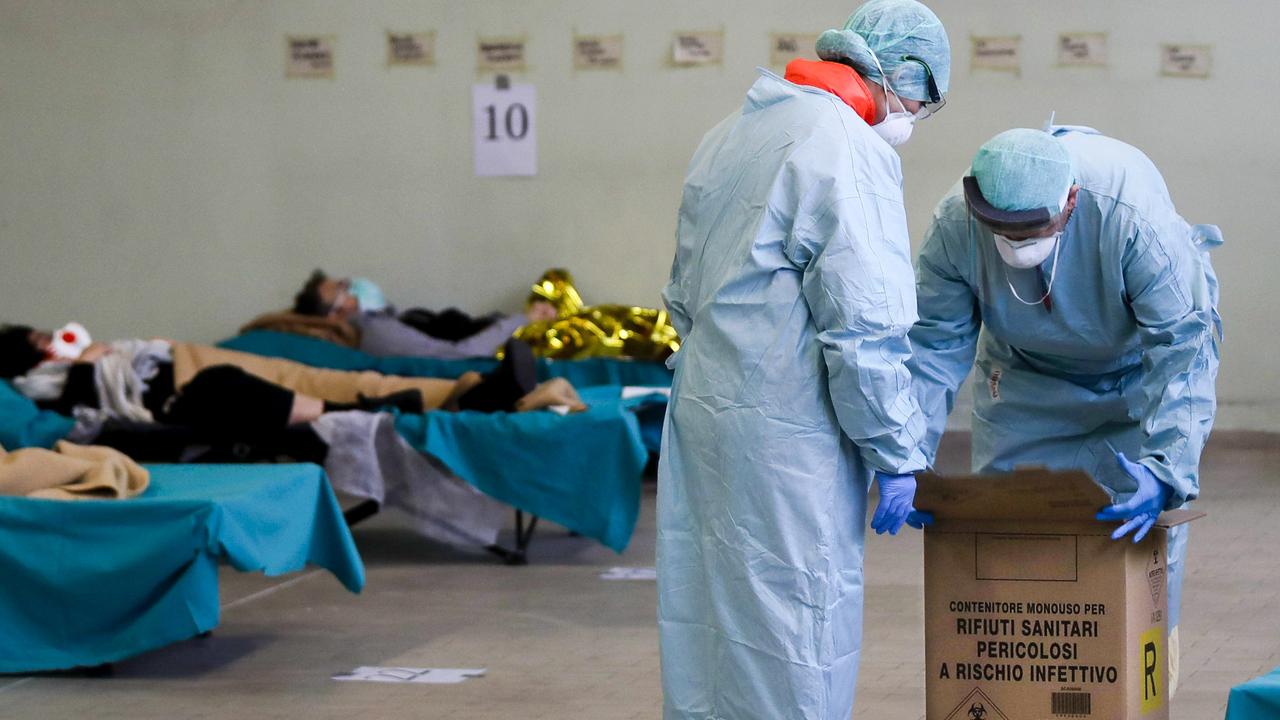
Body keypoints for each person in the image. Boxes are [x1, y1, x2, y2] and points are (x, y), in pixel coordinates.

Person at [656, 1, 950, 717]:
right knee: (796, 629)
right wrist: (896, 450)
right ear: (897, 75)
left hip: (702, 412)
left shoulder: (733, 132)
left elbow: (682, 294)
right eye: (920, 99)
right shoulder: (845, 145)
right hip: (788, 437)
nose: (912, 114)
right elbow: (865, 325)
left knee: (709, 628)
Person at [907, 125, 1221, 695]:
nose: (1013, 243)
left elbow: (1184, 350)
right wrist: (906, 454)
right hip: (1024, 380)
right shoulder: (957, 225)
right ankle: (1020, 694)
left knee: (1134, 545)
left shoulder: (1130, 218)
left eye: (1032, 229)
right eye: (999, 228)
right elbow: (934, 345)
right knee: (1007, 534)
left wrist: (1166, 468)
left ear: (1070, 202)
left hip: (1134, 380)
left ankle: (1135, 693)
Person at [0, 324, 586, 455]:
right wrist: (94, 361)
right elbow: (87, 410)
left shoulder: (72, 362)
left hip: (190, 363)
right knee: (355, 387)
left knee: (361, 381)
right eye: (42, 338)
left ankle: (481, 387)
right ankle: (480, 393)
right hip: (193, 384)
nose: (57, 338)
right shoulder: (42, 386)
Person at [278, 270, 557, 358]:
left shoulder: (382, 321)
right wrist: (522, 320)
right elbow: (458, 355)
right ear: (335, 315)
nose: (352, 287)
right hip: (496, 349)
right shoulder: (375, 333)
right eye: (343, 289)